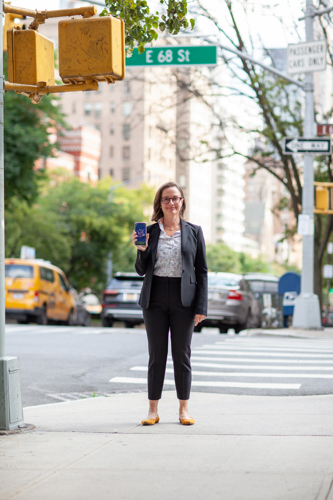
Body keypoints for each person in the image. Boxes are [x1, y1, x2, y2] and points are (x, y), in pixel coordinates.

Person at [132, 181, 208, 426]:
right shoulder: (152, 232)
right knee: (157, 355)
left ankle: (183, 409)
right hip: (154, 298)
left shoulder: (194, 231)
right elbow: (141, 271)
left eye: (176, 198)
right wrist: (141, 249)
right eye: (166, 199)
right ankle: (152, 410)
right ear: (160, 203)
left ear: (182, 201)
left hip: (183, 299)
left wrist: (201, 308)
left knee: (181, 355)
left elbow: (202, 271)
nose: (172, 203)